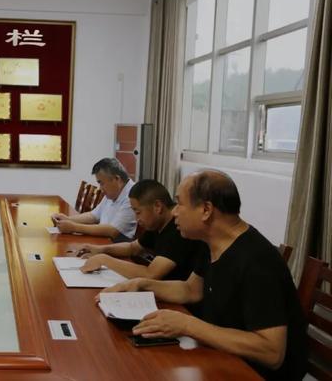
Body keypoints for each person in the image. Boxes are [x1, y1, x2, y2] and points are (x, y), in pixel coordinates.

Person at [104, 171, 306, 380]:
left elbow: (272, 352)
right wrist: (142, 284)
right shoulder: (212, 243)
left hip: (253, 372)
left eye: (180, 204)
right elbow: (191, 290)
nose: (174, 212)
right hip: (222, 354)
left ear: (206, 210)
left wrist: (187, 325)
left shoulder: (256, 260)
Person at [74, 179, 206, 281]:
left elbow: (151, 274)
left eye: (138, 212)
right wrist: (101, 250)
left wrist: (104, 260)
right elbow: (133, 248)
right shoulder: (158, 223)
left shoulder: (179, 228)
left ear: (158, 207)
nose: (137, 219)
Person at [51, 158, 136, 241]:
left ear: (117, 179)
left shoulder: (132, 196)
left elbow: (113, 230)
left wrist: (74, 227)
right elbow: (93, 216)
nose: (101, 188)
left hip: (113, 246)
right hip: (102, 241)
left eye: (101, 183)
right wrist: (68, 219)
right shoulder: (113, 192)